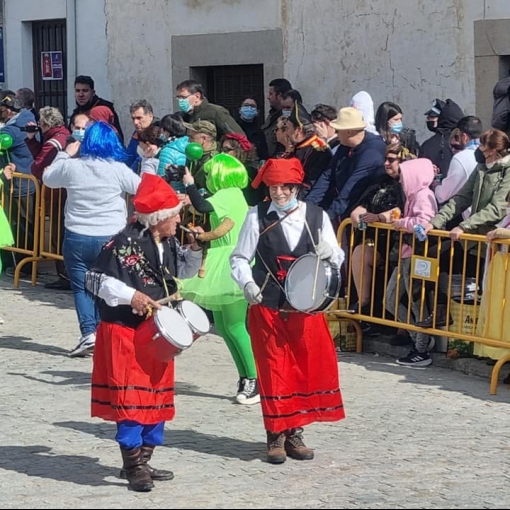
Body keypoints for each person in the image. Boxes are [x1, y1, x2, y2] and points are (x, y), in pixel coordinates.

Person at [84, 173, 204, 492]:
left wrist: (193, 249)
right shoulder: (124, 242)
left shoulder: (166, 241)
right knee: (131, 399)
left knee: (156, 399)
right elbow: (94, 280)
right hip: (125, 331)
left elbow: (185, 272)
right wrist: (131, 295)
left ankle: (144, 458)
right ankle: (133, 464)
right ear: (158, 219)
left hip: (157, 331)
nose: (179, 220)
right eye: (174, 215)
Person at [230, 157, 345, 464]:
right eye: (274, 187)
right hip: (267, 306)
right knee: (273, 370)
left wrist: (330, 253)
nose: (279, 193)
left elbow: (337, 256)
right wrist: (246, 284)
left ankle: (296, 433)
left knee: (303, 369)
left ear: (296, 187)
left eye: (285, 187)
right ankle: (275, 436)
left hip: (305, 308)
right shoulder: (256, 216)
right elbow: (239, 258)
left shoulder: (317, 216)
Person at [42, 121, 141, 357]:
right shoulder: (116, 168)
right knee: (108, 287)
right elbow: (141, 187)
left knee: (81, 287)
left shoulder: (72, 166)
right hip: (111, 235)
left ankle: (89, 333)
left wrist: (65, 154)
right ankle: (108, 334)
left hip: (77, 233)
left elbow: (48, 178)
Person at [180, 154, 259, 404]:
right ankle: (245, 377)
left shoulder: (228, 193)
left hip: (231, 259)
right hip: (223, 256)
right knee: (225, 328)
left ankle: (255, 380)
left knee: (235, 326)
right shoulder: (232, 195)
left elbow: (202, 206)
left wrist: (190, 185)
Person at [385, 157, 438, 367]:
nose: (401, 181)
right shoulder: (412, 195)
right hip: (405, 253)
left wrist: (401, 223)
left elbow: (425, 221)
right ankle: (420, 339)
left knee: (417, 302)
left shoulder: (424, 195)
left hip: (417, 254)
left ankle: (421, 349)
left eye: (404, 177)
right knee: (389, 300)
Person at [25, 106, 71, 290]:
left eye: (40, 124)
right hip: (63, 192)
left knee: (58, 235)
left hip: (57, 194)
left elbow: (37, 166)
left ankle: (64, 276)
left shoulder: (54, 142)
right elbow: (41, 159)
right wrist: (32, 140)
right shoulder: (63, 135)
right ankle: (66, 275)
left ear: (45, 124)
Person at [175, 79, 244, 139]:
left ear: (197, 96)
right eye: (178, 98)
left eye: (183, 97)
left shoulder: (216, 112)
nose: (180, 101)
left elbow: (238, 137)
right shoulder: (183, 116)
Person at [70, 75, 124, 142]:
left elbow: (117, 137)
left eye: (85, 91)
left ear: (93, 93)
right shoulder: (76, 113)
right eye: (77, 91)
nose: (80, 94)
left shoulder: (104, 110)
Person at [219, 133, 264, 206]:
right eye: (222, 149)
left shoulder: (250, 171)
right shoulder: (223, 168)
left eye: (226, 150)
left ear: (238, 151)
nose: (222, 153)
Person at [235, 96, 269, 161]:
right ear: (240, 110)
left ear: (257, 112)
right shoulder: (233, 128)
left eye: (252, 106)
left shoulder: (259, 132)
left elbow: (264, 154)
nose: (249, 108)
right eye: (246, 105)